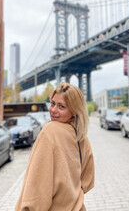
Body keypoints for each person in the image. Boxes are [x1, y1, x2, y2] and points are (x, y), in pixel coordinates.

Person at [15, 83, 95, 211]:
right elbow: (87, 181)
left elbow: (37, 189)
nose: (53, 110)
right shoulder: (82, 137)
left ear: (74, 111)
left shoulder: (50, 131)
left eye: (61, 106)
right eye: (52, 103)